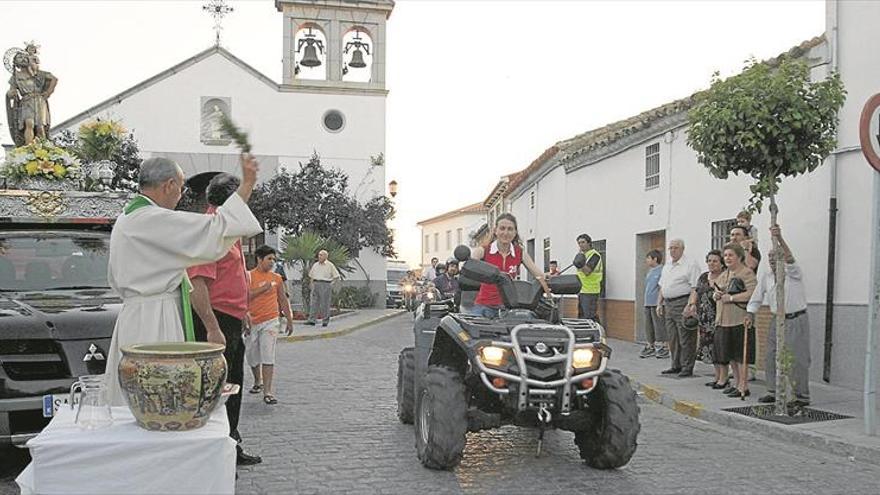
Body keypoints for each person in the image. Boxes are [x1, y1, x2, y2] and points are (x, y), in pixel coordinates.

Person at [103, 156, 261, 409]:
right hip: (153, 322)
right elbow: (213, 229)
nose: (181, 193)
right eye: (181, 186)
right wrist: (247, 185)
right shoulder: (149, 218)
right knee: (158, 396)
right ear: (168, 185)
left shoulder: (133, 215)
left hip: (143, 315)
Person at [188, 172, 262, 466]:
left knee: (232, 386)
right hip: (215, 320)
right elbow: (198, 283)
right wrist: (212, 327)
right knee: (215, 391)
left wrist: (241, 312)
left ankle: (230, 445)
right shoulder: (211, 229)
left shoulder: (227, 227)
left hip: (230, 319)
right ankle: (215, 456)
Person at [746, 224, 811, 406]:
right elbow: (756, 297)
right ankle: (773, 391)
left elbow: (790, 259)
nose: (773, 260)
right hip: (777, 319)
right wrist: (750, 313)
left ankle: (801, 396)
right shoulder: (767, 276)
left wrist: (780, 238)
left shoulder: (793, 273)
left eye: (776, 257)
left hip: (795, 319)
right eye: (770, 258)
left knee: (797, 359)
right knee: (771, 356)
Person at [469, 213, 551, 319]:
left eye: (510, 229)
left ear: (515, 232)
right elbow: (469, 267)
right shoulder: (482, 251)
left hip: (509, 308)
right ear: (495, 231)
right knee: (472, 333)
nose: (505, 233)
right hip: (484, 306)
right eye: (502, 228)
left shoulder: (520, 253)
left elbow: (539, 275)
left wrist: (548, 281)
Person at [246, 245, 293, 405]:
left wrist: (289, 318)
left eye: (274, 259)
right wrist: (263, 289)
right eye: (269, 259)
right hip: (252, 322)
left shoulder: (277, 278)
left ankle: (268, 392)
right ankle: (257, 380)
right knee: (251, 356)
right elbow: (244, 297)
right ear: (259, 259)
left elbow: (282, 299)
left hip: (271, 321)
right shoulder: (248, 277)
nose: (272, 262)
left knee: (268, 355)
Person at [714, 242, 758, 398]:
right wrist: (717, 295)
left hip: (740, 319)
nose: (727, 258)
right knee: (731, 355)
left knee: (741, 356)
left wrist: (732, 297)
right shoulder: (724, 274)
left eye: (730, 255)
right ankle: (736, 383)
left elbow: (752, 293)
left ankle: (743, 385)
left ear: (739, 256)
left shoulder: (746, 273)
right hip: (724, 320)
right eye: (725, 255)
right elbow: (717, 290)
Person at [657, 239, 701, 377]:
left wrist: (690, 305)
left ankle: (687, 366)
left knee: (685, 337)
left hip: (683, 302)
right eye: (670, 248)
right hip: (669, 303)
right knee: (673, 337)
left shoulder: (690, 264)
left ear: (682, 249)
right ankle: (675, 364)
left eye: (675, 248)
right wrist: (659, 303)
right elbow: (662, 286)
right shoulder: (668, 265)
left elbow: (695, 287)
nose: (672, 251)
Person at [695, 250, 727, 389]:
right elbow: (696, 292)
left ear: (721, 263)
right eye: (709, 261)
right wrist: (691, 306)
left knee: (720, 348)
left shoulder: (726, 277)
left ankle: (724, 378)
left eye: (715, 261)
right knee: (710, 349)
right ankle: (716, 376)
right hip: (704, 319)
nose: (711, 263)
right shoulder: (703, 277)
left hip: (719, 317)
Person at [640, 250, 668, 359]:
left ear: (655, 259)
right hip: (648, 302)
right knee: (649, 325)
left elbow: (662, 287)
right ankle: (650, 346)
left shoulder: (662, 270)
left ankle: (662, 347)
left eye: (648, 258)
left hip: (657, 303)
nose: (646, 260)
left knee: (659, 325)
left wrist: (660, 303)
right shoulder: (650, 271)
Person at [306, 249, 341, 326]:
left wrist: (331, 284)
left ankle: (325, 321)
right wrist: (311, 284)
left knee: (325, 303)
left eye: (321, 255)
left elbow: (336, 276)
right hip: (316, 283)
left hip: (326, 284)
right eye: (319, 255)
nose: (319, 256)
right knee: (314, 303)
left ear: (326, 256)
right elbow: (311, 276)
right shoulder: (315, 265)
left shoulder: (330, 265)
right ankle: (312, 320)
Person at [575, 234, 603, 323]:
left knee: (590, 316)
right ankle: (585, 335)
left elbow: (587, 271)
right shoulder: (583, 255)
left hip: (591, 290)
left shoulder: (595, 255)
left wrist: (581, 263)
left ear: (589, 243)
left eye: (583, 242)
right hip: (582, 290)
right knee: (582, 316)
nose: (581, 245)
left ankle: (598, 335)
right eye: (579, 243)